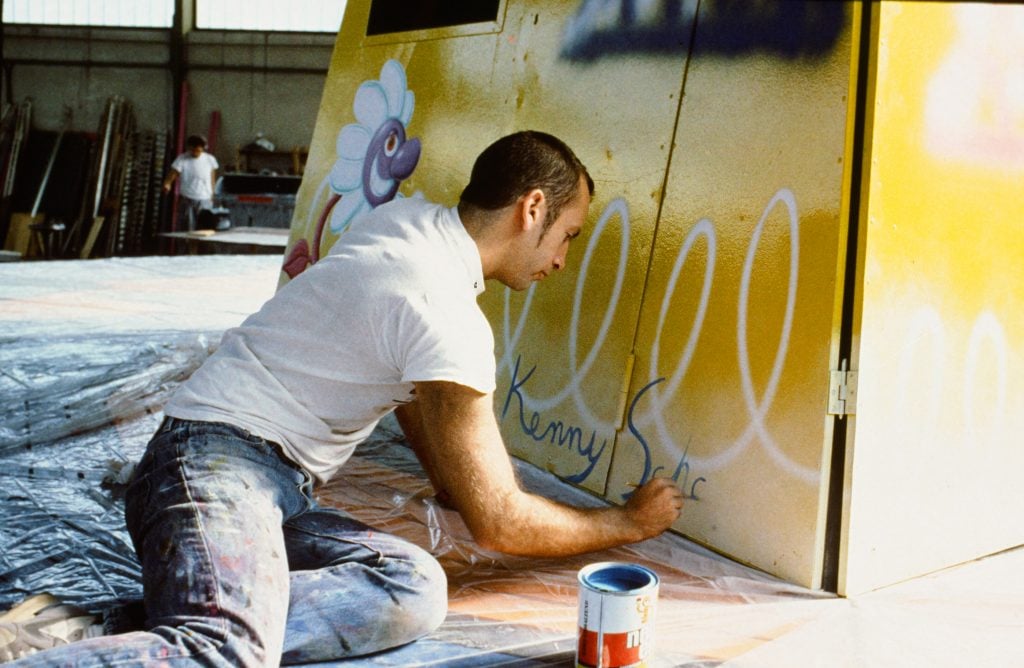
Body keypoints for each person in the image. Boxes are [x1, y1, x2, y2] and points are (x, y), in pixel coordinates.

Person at [1, 131, 683, 666]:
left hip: (252, 479)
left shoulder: (406, 223)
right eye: (566, 234)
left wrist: (451, 476)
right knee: (226, 651)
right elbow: (501, 523)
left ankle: (85, 629)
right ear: (532, 208)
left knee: (411, 588)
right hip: (214, 470)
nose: (561, 259)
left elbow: (411, 391)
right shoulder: (444, 310)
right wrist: (626, 524)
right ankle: (197, 627)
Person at [162, 134, 219, 232]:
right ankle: (186, 247)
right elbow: (173, 174)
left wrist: (213, 194)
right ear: (189, 148)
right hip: (188, 199)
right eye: (193, 150)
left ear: (202, 148)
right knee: (187, 230)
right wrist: (167, 183)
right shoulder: (182, 159)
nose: (196, 152)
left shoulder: (210, 159)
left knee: (204, 230)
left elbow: (212, 178)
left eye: (198, 150)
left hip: (205, 200)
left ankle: (200, 247)